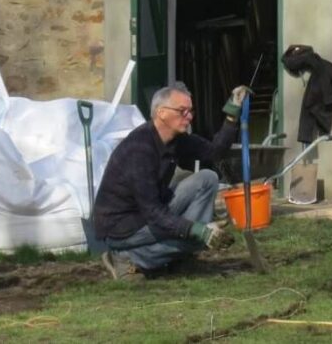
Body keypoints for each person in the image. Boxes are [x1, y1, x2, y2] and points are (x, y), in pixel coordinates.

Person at [94, 83, 249, 279]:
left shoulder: (177, 140)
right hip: (121, 227)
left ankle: (180, 254)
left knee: (207, 178)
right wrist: (196, 230)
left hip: (148, 214)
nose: (190, 116)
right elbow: (152, 212)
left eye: (190, 111)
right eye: (182, 111)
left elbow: (215, 151)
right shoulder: (140, 150)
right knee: (194, 239)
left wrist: (232, 114)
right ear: (161, 113)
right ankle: (126, 258)